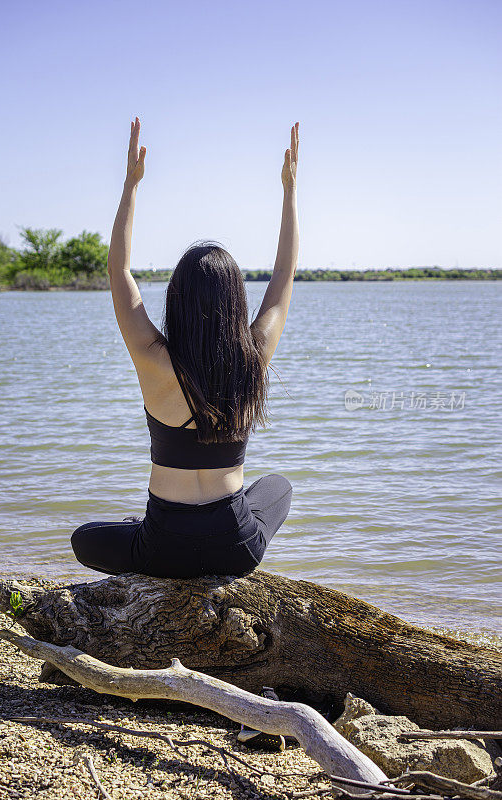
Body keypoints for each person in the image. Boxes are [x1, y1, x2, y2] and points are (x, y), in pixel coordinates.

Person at [71, 117, 300, 579]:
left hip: (162, 549)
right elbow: (283, 277)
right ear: (236, 302)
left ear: (176, 297)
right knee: (278, 486)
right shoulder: (254, 357)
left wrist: (131, 185)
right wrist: (290, 193)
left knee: (84, 538)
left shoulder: (153, 359)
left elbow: (119, 272)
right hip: (235, 548)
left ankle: (143, 530)